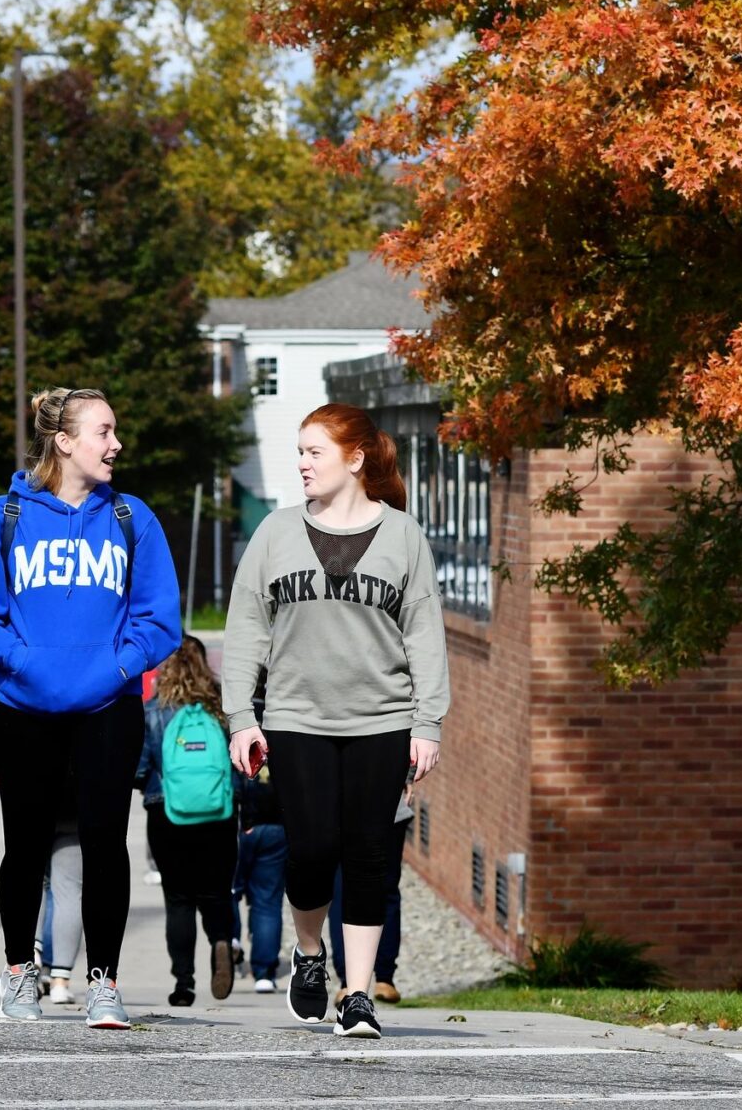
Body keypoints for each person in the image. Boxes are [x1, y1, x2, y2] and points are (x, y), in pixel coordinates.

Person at [0, 387, 181, 1029]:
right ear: (65, 442)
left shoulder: (134, 518)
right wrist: (28, 666)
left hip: (108, 710)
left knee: (107, 847)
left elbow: (159, 620)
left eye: (114, 432)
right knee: (24, 848)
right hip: (24, 712)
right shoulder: (5, 516)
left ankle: (103, 983)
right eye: (104, 432)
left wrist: (113, 669)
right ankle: (20, 973)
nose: (116, 444)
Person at [223, 403, 448, 1041]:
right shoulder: (274, 533)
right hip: (296, 718)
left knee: (370, 855)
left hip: (382, 720)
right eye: (299, 451)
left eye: (313, 452)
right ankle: (309, 952)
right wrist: (242, 717)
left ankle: (358, 995)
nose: (301, 463)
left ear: (354, 458)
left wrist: (426, 723)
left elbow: (425, 634)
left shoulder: (404, 536)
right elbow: (246, 631)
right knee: (313, 849)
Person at [136, 634, 239, 1007]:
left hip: (166, 812)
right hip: (219, 815)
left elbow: (140, 768)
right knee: (215, 892)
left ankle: (184, 983)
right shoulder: (223, 707)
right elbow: (241, 764)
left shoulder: (152, 710)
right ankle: (222, 942)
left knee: (178, 899)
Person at [331, 787, 413, 1002]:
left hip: (342, 807)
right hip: (389, 803)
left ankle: (348, 982)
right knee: (386, 891)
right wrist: (408, 777)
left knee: (342, 891)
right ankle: (384, 979)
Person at [233, 754, 287, 993]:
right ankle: (264, 972)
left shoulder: (236, 728)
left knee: (229, 890)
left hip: (241, 827)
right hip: (277, 828)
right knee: (267, 902)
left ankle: (229, 938)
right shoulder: (286, 727)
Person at [37, 813, 83, 1004]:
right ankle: (60, 983)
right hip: (74, 806)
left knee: (31, 880)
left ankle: (30, 957)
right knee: (69, 891)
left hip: (33, 801)